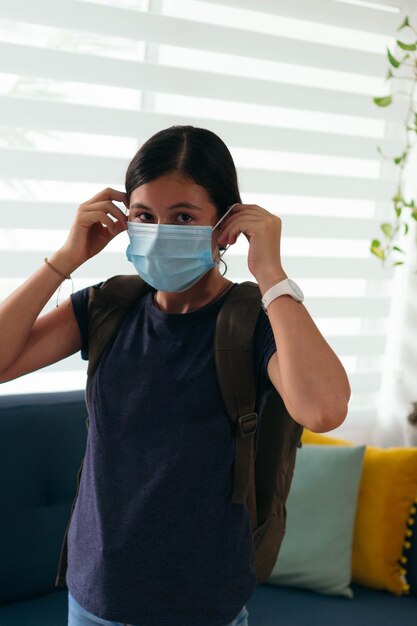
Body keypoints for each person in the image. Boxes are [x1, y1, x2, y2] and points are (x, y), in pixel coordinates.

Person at [0, 125, 350, 626]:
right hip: (93, 597)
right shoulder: (108, 305)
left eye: (183, 216)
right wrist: (64, 260)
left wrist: (270, 273)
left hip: (202, 607)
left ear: (226, 223)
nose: (160, 231)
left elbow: (324, 409)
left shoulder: (255, 320)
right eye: (144, 216)